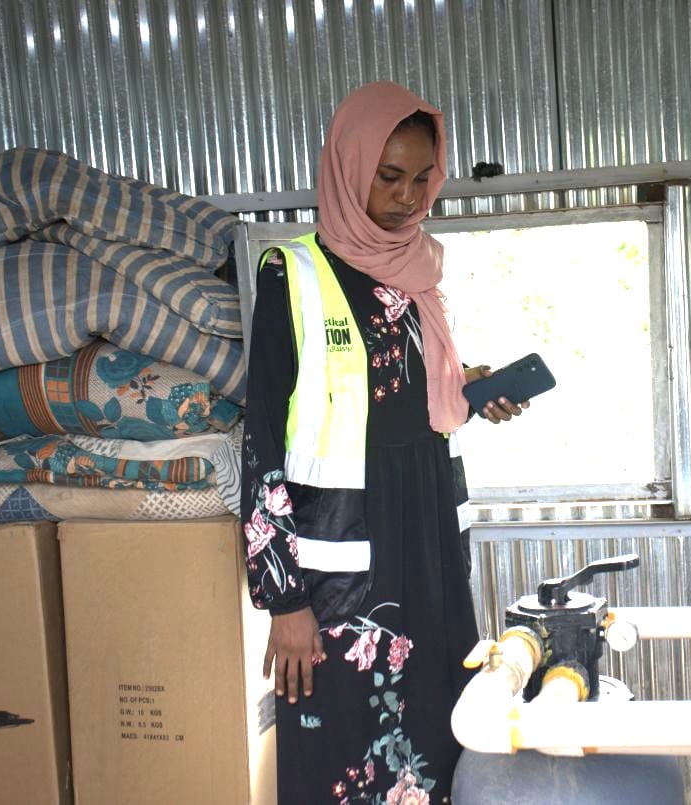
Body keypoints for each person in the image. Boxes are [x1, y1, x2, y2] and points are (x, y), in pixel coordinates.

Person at [239, 81, 528, 804]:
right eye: (387, 176)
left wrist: (468, 388)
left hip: (426, 537)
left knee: (440, 717)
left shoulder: (420, 270)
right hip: (344, 563)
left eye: (422, 178)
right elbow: (263, 441)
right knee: (339, 739)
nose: (406, 196)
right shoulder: (294, 274)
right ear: (348, 166)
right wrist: (283, 600)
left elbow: (397, 395)